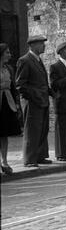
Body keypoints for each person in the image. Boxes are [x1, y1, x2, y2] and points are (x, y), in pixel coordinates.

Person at [15, 35, 53, 167]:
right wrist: (34, 96)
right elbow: (20, 85)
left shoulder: (38, 60)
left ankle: (40, 156)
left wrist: (51, 93)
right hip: (32, 101)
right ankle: (30, 159)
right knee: (32, 129)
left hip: (42, 100)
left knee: (42, 128)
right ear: (32, 45)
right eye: (41, 43)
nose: (43, 46)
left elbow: (42, 82)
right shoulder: (24, 60)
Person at [0, 43, 22, 175]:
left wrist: (17, 104)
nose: (10, 55)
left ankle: (4, 161)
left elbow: (13, 87)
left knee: (4, 133)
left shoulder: (9, 68)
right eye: (7, 52)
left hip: (7, 103)